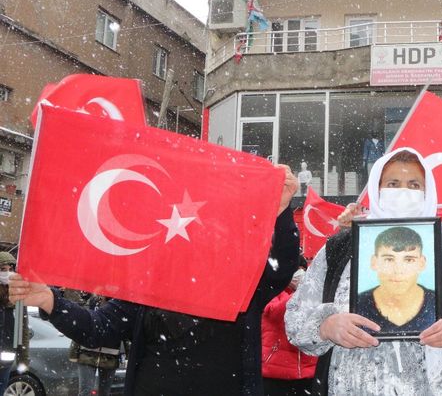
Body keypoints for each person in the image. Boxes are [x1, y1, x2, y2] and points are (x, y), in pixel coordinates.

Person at [9, 165, 301, 396]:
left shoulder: (239, 285)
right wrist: (50, 301)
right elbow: (98, 329)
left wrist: (280, 211)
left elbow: (281, 267)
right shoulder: (149, 288)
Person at [285, 147, 442, 396]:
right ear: (377, 190)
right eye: (392, 183)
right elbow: (296, 317)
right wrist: (326, 326)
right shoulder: (341, 249)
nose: (403, 192)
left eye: (413, 184)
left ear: (428, 191)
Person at [356, 226, 436, 333]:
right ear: (374, 262)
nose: (398, 270)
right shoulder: (356, 305)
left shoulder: (440, 303)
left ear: (421, 263)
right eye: (389, 259)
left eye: (409, 260)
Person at [261, 257, 317, 396]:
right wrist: (301, 292)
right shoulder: (273, 290)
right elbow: (275, 313)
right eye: (296, 270)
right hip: (275, 373)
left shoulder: (312, 293)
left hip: (307, 373)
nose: (300, 274)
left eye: (303, 270)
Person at [63, 291, 122, 396]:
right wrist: (74, 351)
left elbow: (125, 330)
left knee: (104, 392)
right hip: (87, 353)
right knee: (85, 392)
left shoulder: (120, 306)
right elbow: (81, 325)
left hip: (110, 356)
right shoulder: (93, 303)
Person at [0, 252, 16, 394]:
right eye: (3, 269)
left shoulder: (16, 295)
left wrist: (24, 357)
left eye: (10, 270)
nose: (8, 273)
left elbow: (21, 328)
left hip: (6, 356)